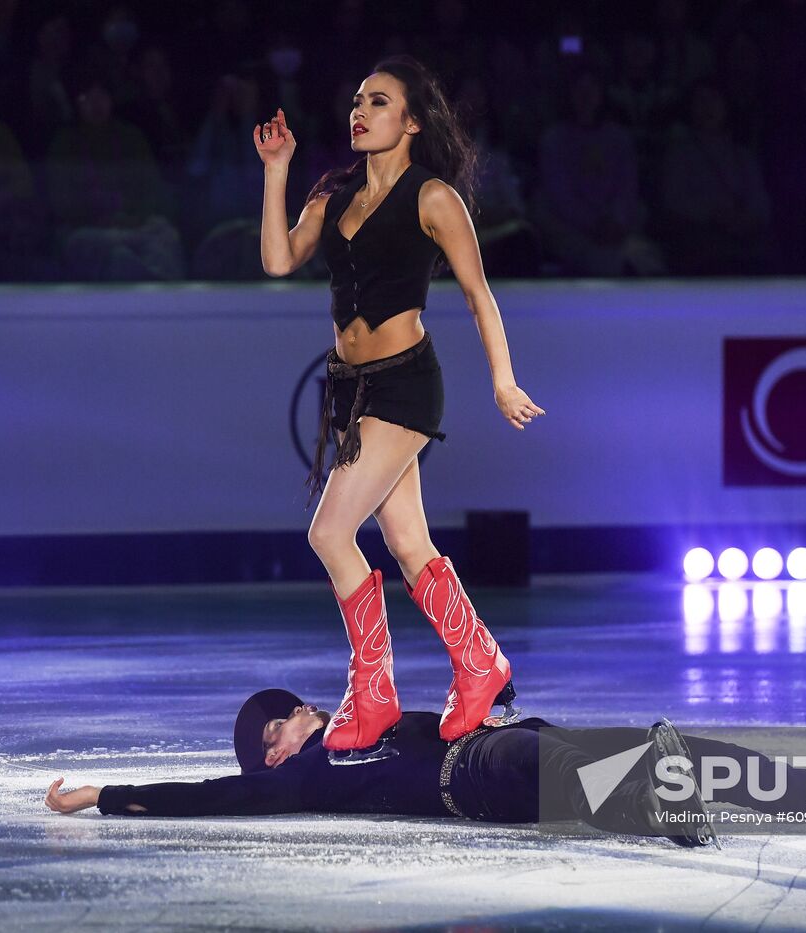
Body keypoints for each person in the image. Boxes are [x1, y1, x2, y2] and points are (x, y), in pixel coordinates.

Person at [253, 56, 545, 765]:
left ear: (411, 121)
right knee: (410, 546)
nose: (360, 111)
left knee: (329, 531)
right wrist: (277, 169)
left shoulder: (433, 197)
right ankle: (480, 662)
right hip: (353, 392)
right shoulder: (336, 190)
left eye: (377, 102)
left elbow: (479, 294)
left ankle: (374, 689)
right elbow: (277, 260)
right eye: (356, 100)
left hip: (405, 386)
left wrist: (503, 380)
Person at [44, 688, 806, 848]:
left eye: (298, 708)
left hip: (505, 753)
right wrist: (102, 795)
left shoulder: (370, 721)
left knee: (712, 762)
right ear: (272, 755)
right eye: (288, 722)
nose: (308, 714)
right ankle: (648, 801)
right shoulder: (303, 776)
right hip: (483, 780)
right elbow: (206, 800)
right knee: (646, 771)